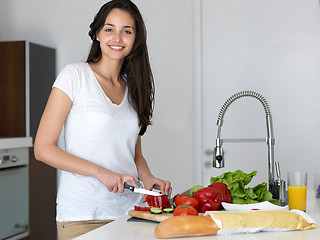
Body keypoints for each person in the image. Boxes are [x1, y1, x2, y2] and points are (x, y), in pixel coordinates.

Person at [34, 1, 172, 239]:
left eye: (126, 31)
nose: (117, 38)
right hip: (84, 215)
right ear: (97, 33)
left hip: (132, 213)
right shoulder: (74, 76)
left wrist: (148, 179)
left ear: (135, 38)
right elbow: (43, 149)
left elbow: (134, 154)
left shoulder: (134, 88)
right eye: (109, 29)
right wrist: (102, 173)